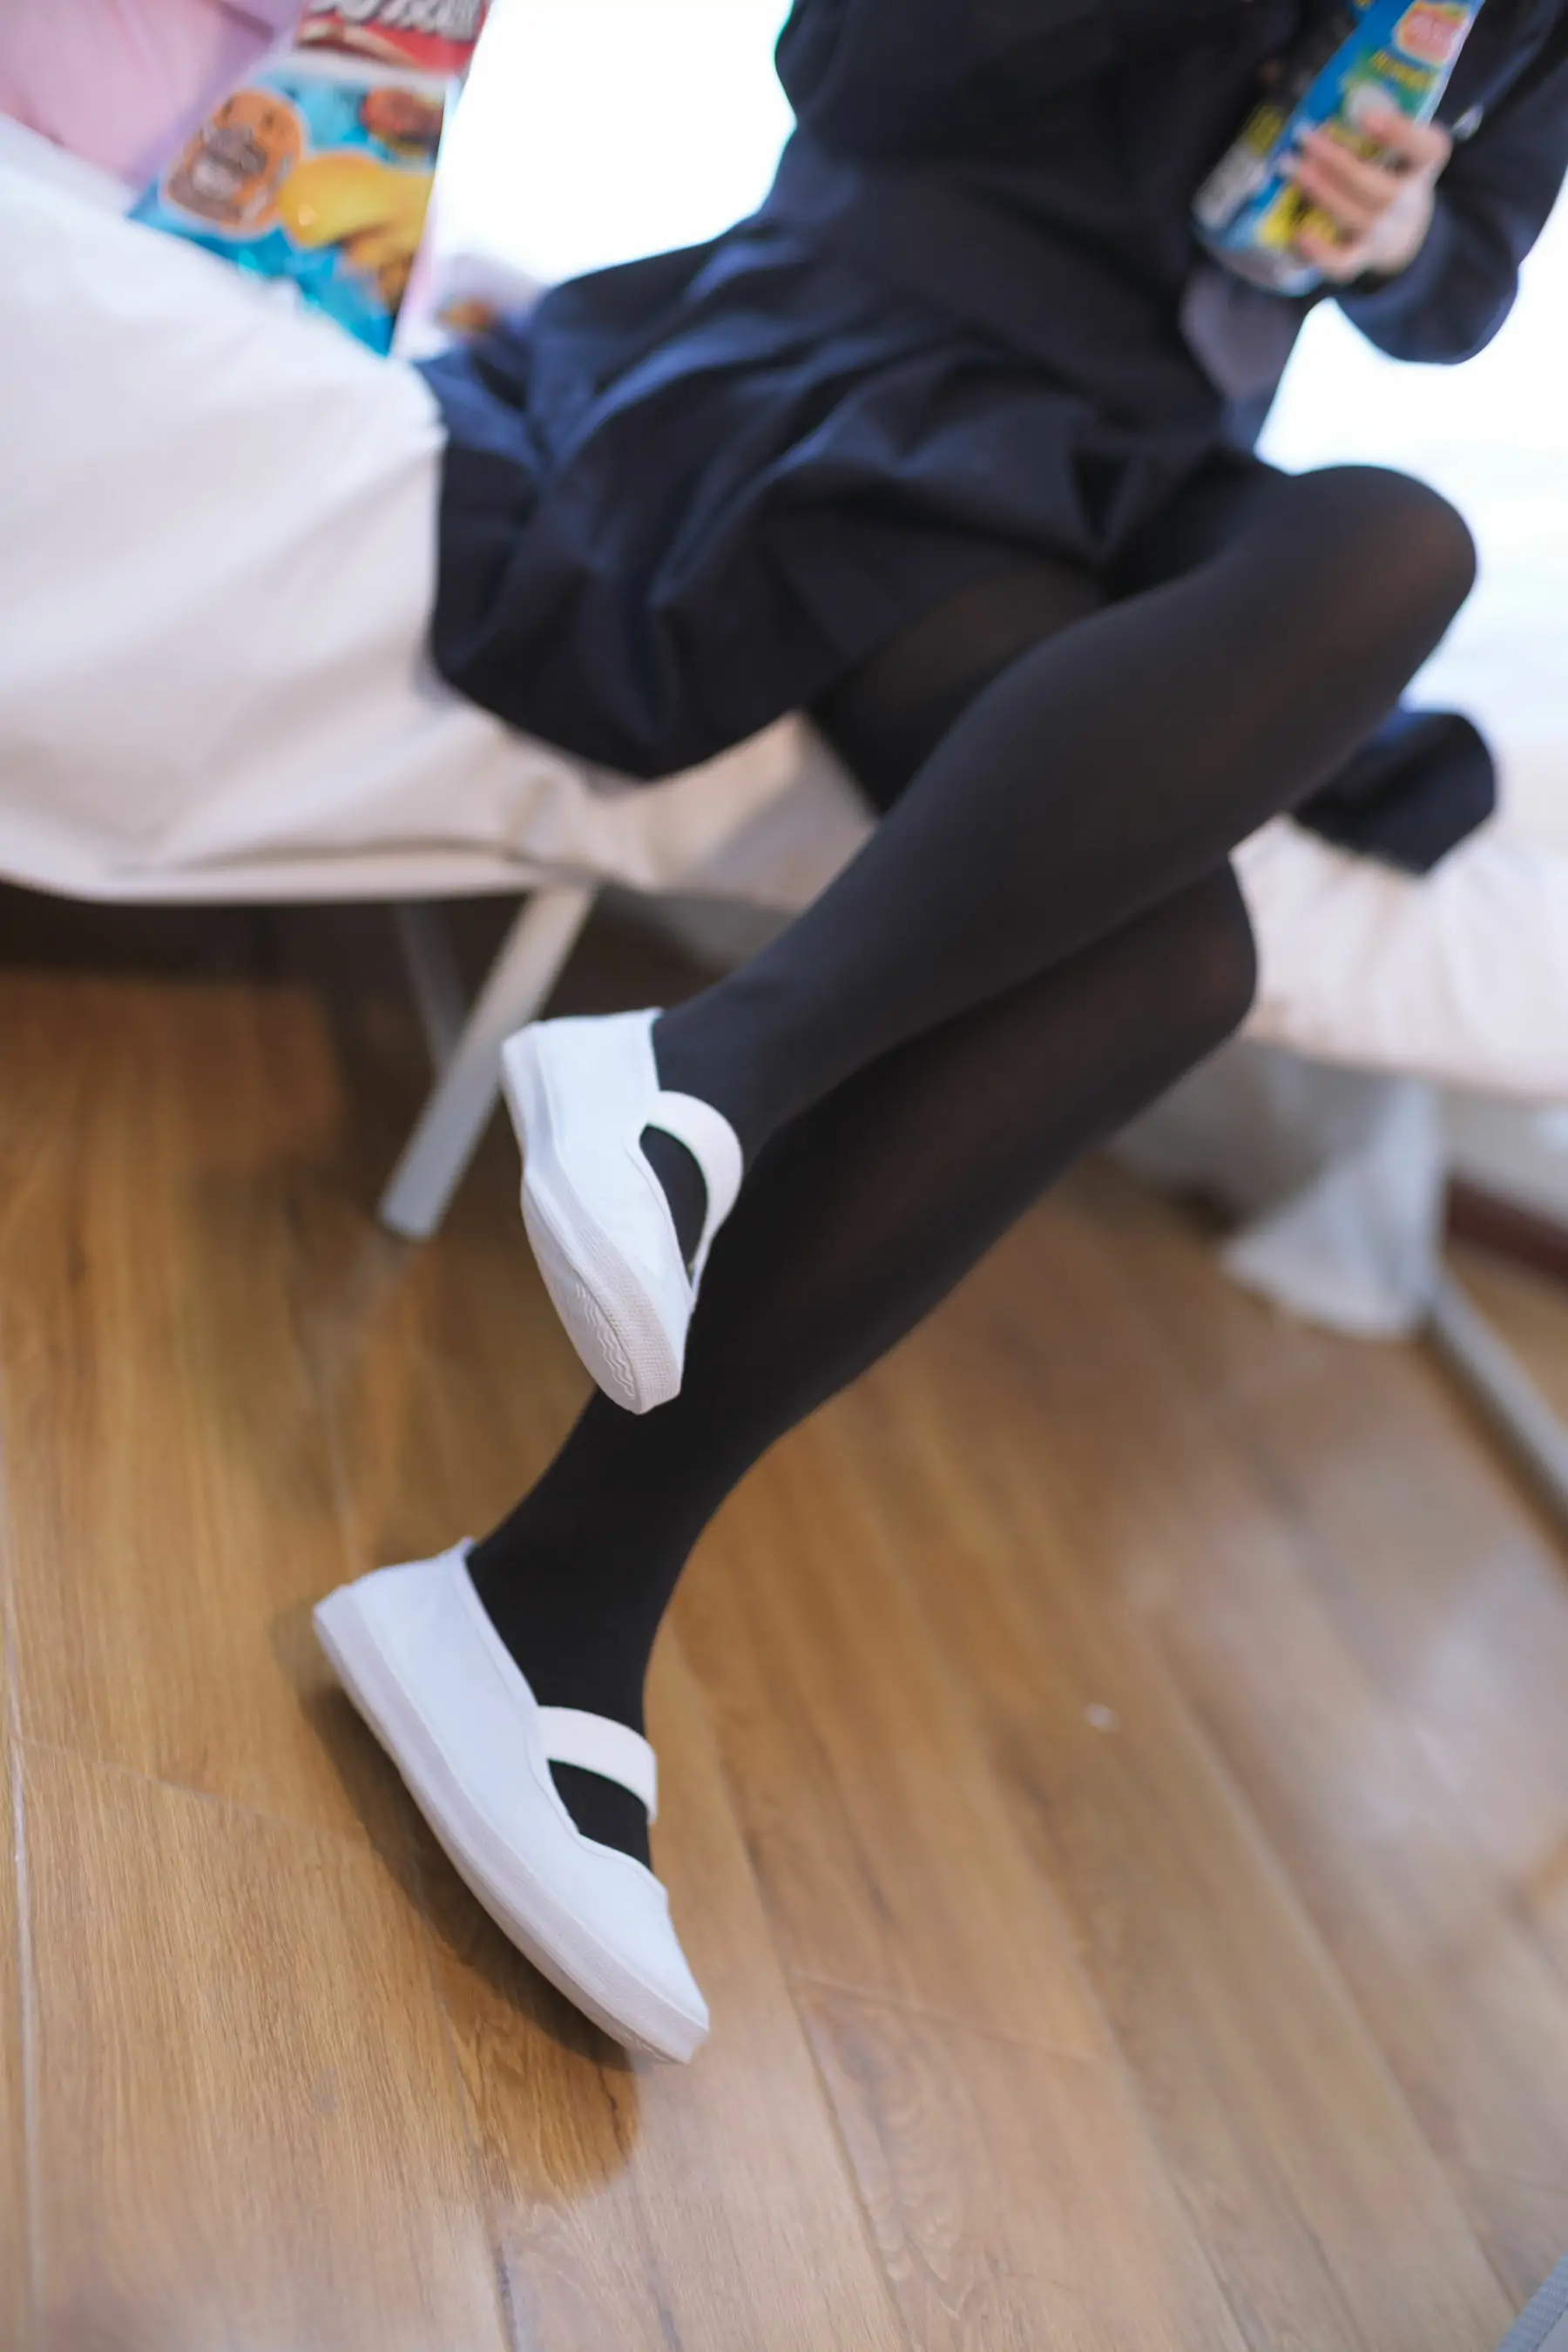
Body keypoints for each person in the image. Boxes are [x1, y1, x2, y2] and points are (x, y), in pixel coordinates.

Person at [315, 0, 1568, 2061]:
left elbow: (1464, 293)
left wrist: (1403, 231)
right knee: (1174, 961)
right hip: (870, 354)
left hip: (1137, 465)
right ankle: (553, 1592)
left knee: (1396, 542)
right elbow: (849, 67)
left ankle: (693, 1091)